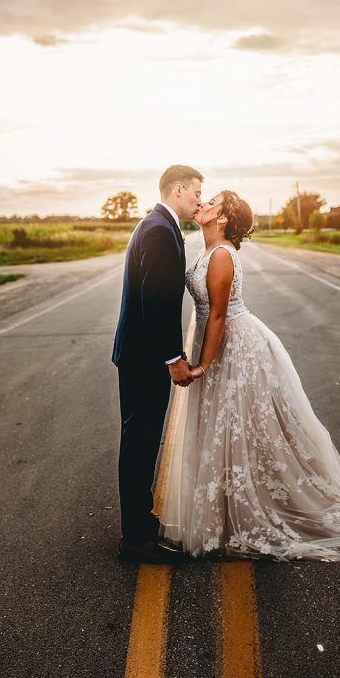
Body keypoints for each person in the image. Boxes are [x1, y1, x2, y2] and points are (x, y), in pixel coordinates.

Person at [157, 190, 340, 562]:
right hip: (216, 340)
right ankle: (225, 515)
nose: (202, 204)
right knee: (224, 429)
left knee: (240, 429)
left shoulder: (221, 256)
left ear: (223, 219)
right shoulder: (204, 250)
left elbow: (217, 316)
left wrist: (202, 366)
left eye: (210, 202)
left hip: (234, 344)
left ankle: (256, 514)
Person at [111, 164, 203, 563]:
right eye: (198, 191)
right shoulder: (159, 231)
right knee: (140, 441)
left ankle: (140, 524)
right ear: (179, 189)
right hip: (144, 356)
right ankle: (135, 538)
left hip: (137, 352)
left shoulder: (157, 224)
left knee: (142, 439)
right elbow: (157, 302)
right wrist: (173, 359)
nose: (200, 199)